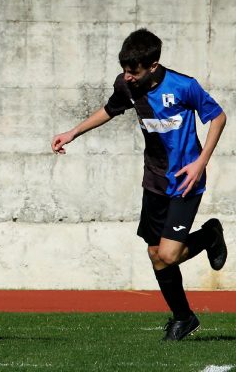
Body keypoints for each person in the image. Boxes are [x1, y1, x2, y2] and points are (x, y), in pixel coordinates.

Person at [51, 28, 227, 341]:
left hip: (186, 179)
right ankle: (183, 318)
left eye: (134, 71)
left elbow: (218, 117)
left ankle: (210, 236)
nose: (128, 77)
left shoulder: (184, 86)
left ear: (153, 66)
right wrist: (72, 132)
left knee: (170, 255)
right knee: (156, 254)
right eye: (125, 71)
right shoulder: (127, 86)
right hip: (154, 180)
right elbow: (109, 109)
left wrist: (201, 163)